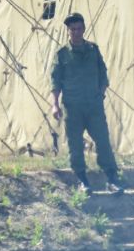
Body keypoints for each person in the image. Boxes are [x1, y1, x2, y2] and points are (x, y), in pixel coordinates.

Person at [50, 12, 118, 193]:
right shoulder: (62, 54)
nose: (76, 32)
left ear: (84, 29)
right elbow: (55, 81)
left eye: (79, 29)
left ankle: (112, 179)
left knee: (103, 141)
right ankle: (83, 181)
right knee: (75, 144)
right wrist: (55, 104)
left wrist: (100, 94)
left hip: (93, 106)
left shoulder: (92, 50)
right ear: (68, 31)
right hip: (73, 107)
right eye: (72, 29)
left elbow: (103, 74)